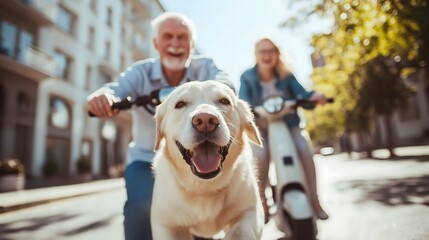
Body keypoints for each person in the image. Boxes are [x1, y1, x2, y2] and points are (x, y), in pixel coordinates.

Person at [86, 12, 233, 240]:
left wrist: (221, 91)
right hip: (146, 159)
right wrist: (104, 97)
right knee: (143, 204)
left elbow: (224, 82)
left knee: (205, 214)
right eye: (168, 37)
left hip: (195, 156)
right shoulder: (140, 72)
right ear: (156, 43)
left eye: (182, 37)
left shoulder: (205, 68)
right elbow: (116, 89)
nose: (175, 44)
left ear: (191, 44)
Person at [238, 37, 329, 222]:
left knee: (305, 151)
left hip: (289, 125)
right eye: (262, 51)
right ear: (256, 55)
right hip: (261, 129)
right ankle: (261, 202)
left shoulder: (286, 75)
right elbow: (243, 101)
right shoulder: (247, 76)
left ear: (277, 54)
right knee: (259, 158)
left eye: (271, 51)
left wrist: (314, 97)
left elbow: (302, 94)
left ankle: (314, 200)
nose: (267, 55)